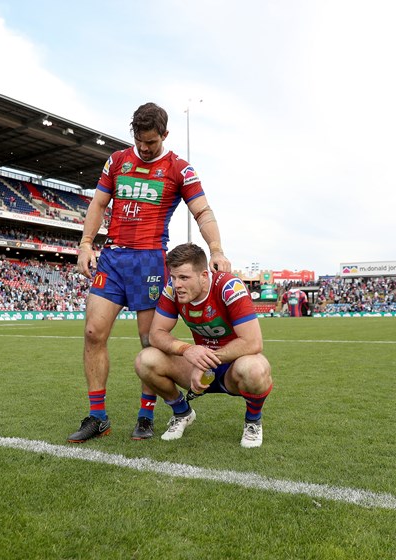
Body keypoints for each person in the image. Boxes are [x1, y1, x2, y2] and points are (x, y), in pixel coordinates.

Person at [68, 102, 231, 443]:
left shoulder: (179, 170)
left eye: (151, 143)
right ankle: (97, 417)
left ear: (165, 136)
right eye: (139, 141)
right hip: (112, 258)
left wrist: (215, 249)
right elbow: (98, 203)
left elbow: (202, 212)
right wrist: (85, 243)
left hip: (150, 262)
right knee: (93, 332)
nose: (144, 148)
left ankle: (146, 414)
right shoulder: (116, 161)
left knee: (148, 343)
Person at [134, 243, 273, 448]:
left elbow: (253, 342)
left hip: (233, 367)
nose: (176, 284)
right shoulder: (172, 291)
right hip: (197, 365)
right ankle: (182, 412)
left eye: (184, 277)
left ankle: (253, 421)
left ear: (204, 276)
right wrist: (187, 349)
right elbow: (156, 334)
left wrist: (206, 361)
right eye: (173, 277)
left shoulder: (228, 287)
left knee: (256, 368)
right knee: (145, 360)